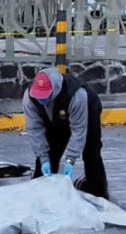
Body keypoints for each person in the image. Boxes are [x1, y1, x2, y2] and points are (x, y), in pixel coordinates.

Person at [22, 67, 109, 199]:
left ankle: (99, 194)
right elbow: (35, 129)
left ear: (55, 89)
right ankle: (41, 197)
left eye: (44, 96)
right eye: (38, 96)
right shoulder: (30, 98)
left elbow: (79, 129)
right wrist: (43, 157)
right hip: (54, 116)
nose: (40, 99)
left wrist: (70, 159)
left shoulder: (77, 95)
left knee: (91, 152)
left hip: (87, 111)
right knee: (50, 152)